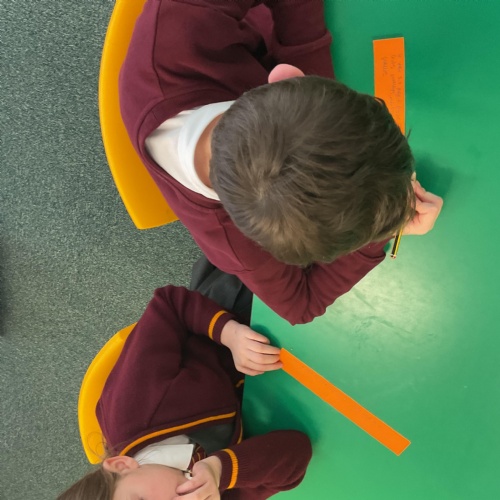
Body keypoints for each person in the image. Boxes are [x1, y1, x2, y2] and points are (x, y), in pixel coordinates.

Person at [119, 0, 443, 325]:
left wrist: (306, 57)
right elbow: (301, 305)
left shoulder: (176, 27)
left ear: (286, 75)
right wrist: (380, 230)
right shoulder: (232, 243)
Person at [57, 286, 312, 499]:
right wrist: (221, 471)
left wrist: (229, 334)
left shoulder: (132, 407)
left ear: (122, 466)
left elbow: (170, 305)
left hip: (238, 318)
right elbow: (298, 453)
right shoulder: (210, 494)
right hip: (289, 390)